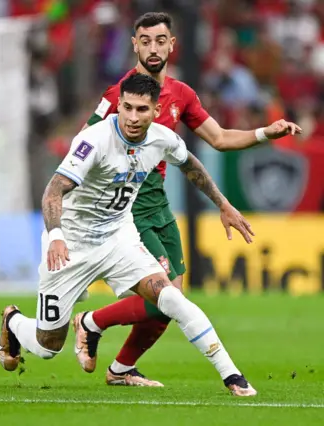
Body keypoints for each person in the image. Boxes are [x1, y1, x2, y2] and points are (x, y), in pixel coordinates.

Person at [0, 72, 257, 397]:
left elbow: (191, 165)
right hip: (71, 246)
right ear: (118, 105)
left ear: (155, 111)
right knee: (49, 345)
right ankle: (14, 323)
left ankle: (233, 377)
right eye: (128, 108)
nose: (133, 118)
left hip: (118, 240)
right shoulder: (93, 140)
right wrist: (56, 237)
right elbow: (53, 192)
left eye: (142, 110)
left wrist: (223, 204)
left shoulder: (162, 139)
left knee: (172, 298)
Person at [79, 12, 301, 387]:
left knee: (170, 303)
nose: (153, 48)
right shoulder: (117, 96)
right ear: (134, 43)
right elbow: (83, 147)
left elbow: (220, 138)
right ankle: (90, 323)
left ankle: (120, 370)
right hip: (128, 210)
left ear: (171, 45)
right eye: (145, 40)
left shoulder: (181, 94)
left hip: (160, 207)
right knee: (163, 297)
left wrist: (266, 132)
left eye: (160, 40)